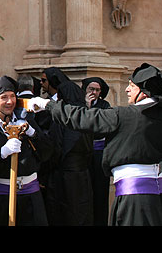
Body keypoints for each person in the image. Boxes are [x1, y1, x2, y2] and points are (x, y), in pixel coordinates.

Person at [27, 63, 162, 226]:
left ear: (144, 91)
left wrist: (47, 105)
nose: (127, 89)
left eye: (131, 85)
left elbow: (81, 118)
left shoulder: (123, 115)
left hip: (135, 198)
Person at [0, 76, 53, 226]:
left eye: (12, 96)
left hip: (31, 195)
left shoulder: (26, 120)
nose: (10, 102)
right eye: (4, 97)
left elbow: (47, 153)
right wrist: (2, 153)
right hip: (0, 197)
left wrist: (33, 134)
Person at [37, 67, 94, 226]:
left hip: (62, 178)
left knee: (63, 214)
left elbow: (55, 150)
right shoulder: (86, 118)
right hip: (82, 176)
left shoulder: (62, 121)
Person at [82, 76, 112, 226]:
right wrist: (87, 106)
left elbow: (104, 127)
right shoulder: (81, 105)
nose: (94, 92)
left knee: (100, 192)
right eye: (91, 89)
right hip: (83, 155)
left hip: (99, 154)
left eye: (97, 90)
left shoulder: (105, 105)